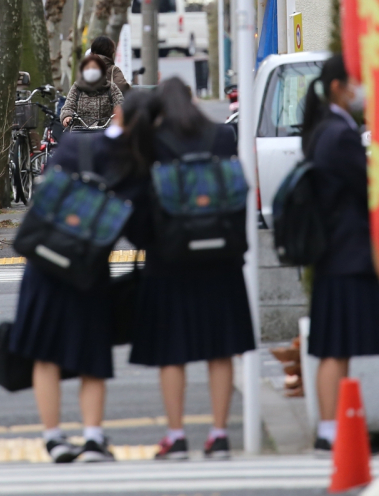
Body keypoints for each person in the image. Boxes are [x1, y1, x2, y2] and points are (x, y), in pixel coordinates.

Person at [10, 91, 158, 463]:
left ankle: (54, 438)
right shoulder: (136, 165)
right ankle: (93, 438)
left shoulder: (74, 146)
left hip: (45, 261)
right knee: (92, 351)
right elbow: (141, 232)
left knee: (46, 353)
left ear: (119, 115)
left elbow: (45, 193)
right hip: (90, 269)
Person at [129, 77, 256, 461]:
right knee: (221, 349)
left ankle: (177, 436)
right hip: (221, 259)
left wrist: (148, 245)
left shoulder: (153, 142)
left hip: (169, 260)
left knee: (172, 351)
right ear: (193, 100)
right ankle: (219, 435)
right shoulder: (221, 136)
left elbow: (138, 204)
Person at [301, 54, 379, 453]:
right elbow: (369, 186)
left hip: (334, 252)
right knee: (336, 347)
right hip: (346, 252)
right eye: (355, 82)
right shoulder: (339, 134)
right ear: (338, 86)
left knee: (335, 346)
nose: (360, 91)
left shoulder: (326, 129)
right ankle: (329, 430)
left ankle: (331, 427)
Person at [60, 54, 124, 128]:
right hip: (81, 133)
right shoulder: (77, 87)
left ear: (102, 70)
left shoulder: (111, 87)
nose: (91, 71)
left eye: (94, 68)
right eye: (87, 68)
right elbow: (68, 106)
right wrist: (67, 116)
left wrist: (119, 114)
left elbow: (121, 104)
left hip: (104, 132)